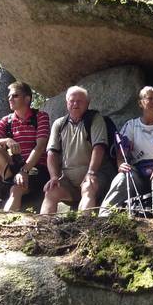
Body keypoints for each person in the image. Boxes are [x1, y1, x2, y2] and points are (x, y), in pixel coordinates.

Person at [99, 86, 153, 217]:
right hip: (138, 170)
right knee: (122, 177)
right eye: (150, 98)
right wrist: (120, 163)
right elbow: (121, 149)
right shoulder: (131, 125)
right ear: (140, 103)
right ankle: (104, 215)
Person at [40, 86, 114, 214]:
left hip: (96, 175)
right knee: (51, 191)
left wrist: (91, 172)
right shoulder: (59, 124)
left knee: (88, 187)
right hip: (68, 181)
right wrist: (54, 177)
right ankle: (43, 230)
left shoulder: (94, 119)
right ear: (67, 102)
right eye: (72, 100)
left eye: (80, 101)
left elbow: (99, 147)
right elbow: (52, 152)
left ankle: (83, 228)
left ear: (87, 103)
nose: (75, 104)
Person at [0, 81, 49, 211]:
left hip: (35, 168)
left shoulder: (41, 117)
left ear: (27, 98)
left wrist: (24, 171)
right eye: (9, 97)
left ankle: (4, 225)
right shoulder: (7, 120)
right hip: (13, 169)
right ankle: (8, 180)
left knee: (16, 189)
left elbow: (40, 147)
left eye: (15, 96)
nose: (10, 99)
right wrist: (7, 140)